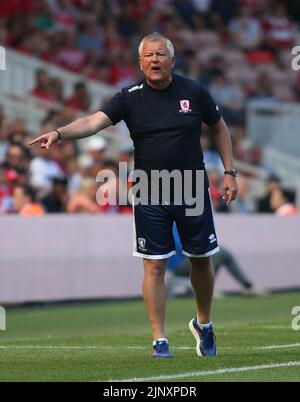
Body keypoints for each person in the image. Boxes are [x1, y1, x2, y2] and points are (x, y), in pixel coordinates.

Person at [29, 32, 238, 358]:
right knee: (154, 266)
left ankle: (204, 324)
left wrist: (229, 171)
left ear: (172, 60)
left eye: (161, 54)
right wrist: (59, 133)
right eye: (148, 56)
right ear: (140, 63)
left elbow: (220, 127)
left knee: (201, 259)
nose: (155, 60)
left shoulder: (194, 92)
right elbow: (93, 122)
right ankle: (159, 340)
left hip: (192, 188)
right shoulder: (129, 97)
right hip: (149, 190)